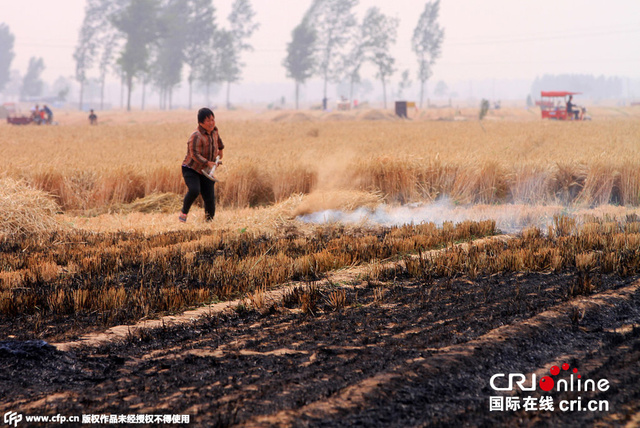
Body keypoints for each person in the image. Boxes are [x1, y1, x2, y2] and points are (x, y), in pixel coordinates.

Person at [179, 107, 224, 222]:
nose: (211, 123)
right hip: (191, 169)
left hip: (207, 171)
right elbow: (194, 154)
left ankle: (209, 222)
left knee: (209, 197)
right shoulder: (196, 136)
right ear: (200, 123)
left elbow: (218, 140)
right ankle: (183, 213)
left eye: (213, 119)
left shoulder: (214, 131)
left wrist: (221, 150)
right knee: (194, 190)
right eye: (208, 121)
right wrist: (207, 162)